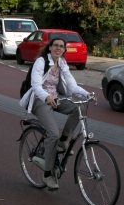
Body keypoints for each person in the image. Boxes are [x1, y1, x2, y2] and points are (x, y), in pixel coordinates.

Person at [19, 37, 90, 190]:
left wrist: (87, 94)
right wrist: (46, 97)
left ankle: (64, 141)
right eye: (55, 45)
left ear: (64, 50)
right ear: (50, 47)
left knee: (80, 108)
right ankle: (47, 174)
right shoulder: (41, 62)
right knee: (52, 133)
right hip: (39, 99)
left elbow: (72, 86)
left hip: (56, 98)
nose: (58, 48)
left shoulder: (62, 63)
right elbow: (35, 85)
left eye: (61, 46)